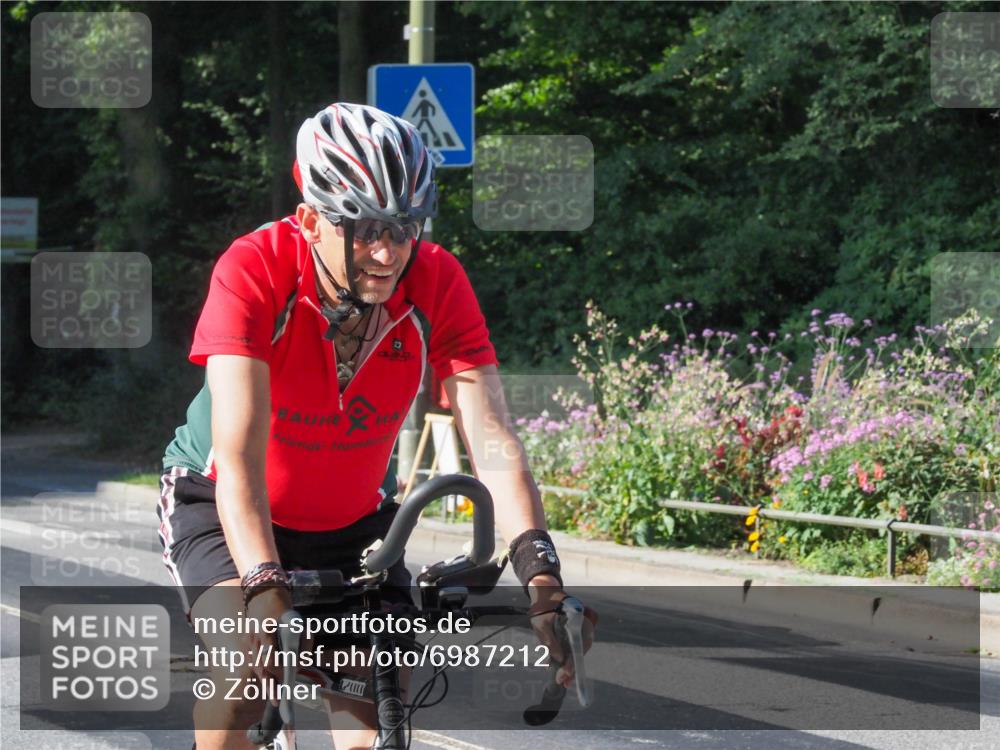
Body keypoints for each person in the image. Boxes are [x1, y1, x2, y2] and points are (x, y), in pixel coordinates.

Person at [157, 102, 594, 750]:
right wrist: (260, 582)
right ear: (310, 220)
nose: (387, 252)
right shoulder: (254, 270)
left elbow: (493, 439)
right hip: (222, 505)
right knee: (246, 663)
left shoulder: (437, 280)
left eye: (404, 226)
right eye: (363, 229)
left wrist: (541, 575)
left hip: (351, 526)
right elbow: (239, 459)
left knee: (369, 730)